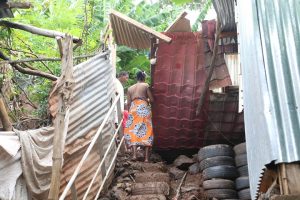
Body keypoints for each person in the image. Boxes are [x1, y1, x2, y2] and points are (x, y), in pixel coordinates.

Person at [124, 71, 154, 162]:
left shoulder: (130, 88)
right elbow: (152, 99)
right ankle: (146, 158)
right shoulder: (145, 85)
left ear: (136, 78)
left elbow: (128, 103)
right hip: (143, 107)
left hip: (133, 108)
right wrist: (147, 100)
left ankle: (134, 155)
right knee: (147, 130)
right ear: (144, 78)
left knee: (134, 130)